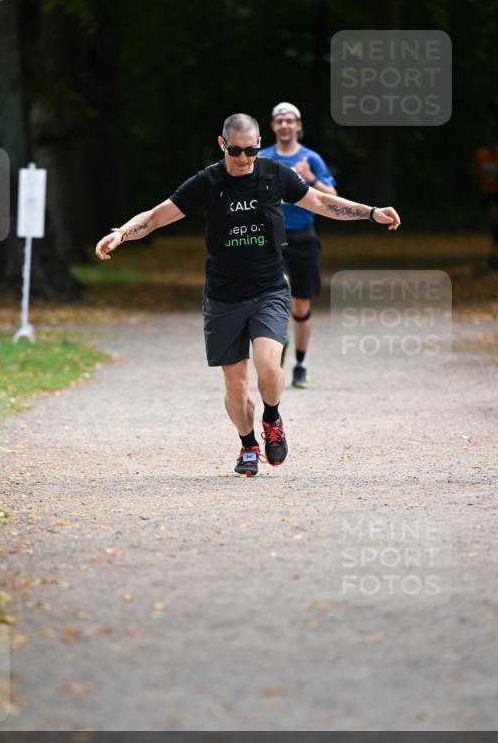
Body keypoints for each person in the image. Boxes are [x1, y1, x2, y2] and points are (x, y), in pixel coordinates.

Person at [95, 113, 400, 477]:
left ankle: (272, 418)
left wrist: (371, 213)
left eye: (251, 150)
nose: (244, 158)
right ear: (222, 144)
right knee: (236, 384)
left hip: (269, 288)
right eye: (236, 151)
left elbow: (321, 202)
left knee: (269, 365)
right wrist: (122, 234)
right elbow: (157, 216)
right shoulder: (207, 182)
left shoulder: (274, 174)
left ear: (258, 145)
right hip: (223, 295)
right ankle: (248, 446)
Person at [259, 102, 337, 389]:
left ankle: (300, 364)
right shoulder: (262, 157)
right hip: (272, 238)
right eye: (279, 120)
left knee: (301, 305)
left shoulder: (311, 159)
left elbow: (331, 196)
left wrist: (311, 177)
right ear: (272, 126)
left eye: (289, 120)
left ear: (298, 126)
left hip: (304, 236)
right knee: (280, 296)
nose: (284, 125)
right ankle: (277, 350)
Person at [471, 134, 498, 249]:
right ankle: (497, 237)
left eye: (494, 141)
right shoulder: (481, 154)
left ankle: (497, 239)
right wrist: (479, 175)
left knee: (494, 213)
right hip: (486, 189)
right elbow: (475, 169)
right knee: (493, 215)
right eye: (489, 141)